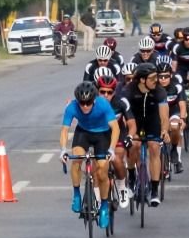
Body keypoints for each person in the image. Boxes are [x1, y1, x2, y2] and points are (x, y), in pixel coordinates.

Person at [61, 80, 123, 228]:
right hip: (83, 133)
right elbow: (64, 130)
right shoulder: (72, 107)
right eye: (82, 103)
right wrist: (63, 150)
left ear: (94, 100)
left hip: (102, 135)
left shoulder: (103, 104)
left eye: (88, 103)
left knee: (102, 171)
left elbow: (115, 129)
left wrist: (111, 149)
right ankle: (76, 194)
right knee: (76, 159)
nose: (85, 106)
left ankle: (104, 206)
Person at [125, 62, 170, 206]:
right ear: (142, 80)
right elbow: (124, 113)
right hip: (135, 122)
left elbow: (164, 116)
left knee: (154, 147)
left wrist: (164, 130)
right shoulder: (129, 90)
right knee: (134, 145)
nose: (156, 80)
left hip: (153, 122)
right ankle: (131, 176)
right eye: (152, 78)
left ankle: (155, 190)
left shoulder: (159, 91)